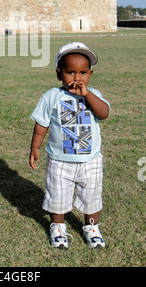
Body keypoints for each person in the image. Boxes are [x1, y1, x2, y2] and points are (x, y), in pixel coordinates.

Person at [29, 42, 110, 249]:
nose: (77, 78)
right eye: (70, 72)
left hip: (90, 161)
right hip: (59, 161)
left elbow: (104, 113)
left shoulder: (94, 96)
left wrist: (88, 96)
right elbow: (42, 124)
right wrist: (35, 148)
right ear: (59, 74)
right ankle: (58, 227)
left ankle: (92, 228)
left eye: (83, 72)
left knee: (91, 196)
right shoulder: (52, 97)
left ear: (90, 74)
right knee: (57, 196)